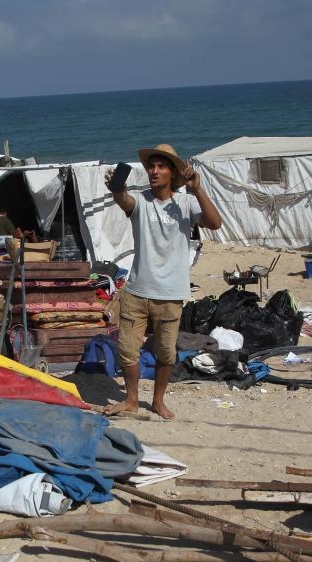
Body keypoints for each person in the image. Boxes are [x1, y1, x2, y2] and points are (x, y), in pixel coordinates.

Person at [103, 143, 222, 420]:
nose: (154, 171)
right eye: (151, 166)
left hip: (170, 293)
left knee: (166, 354)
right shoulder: (139, 201)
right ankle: (132, 400)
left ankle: (157, 401)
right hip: (136, 291)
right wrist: (116, 189)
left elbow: (215, 223)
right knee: (127, 350)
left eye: (161, 166)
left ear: (173, 173)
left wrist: (197, 189)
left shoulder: (187, 202)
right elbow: (124, 200)